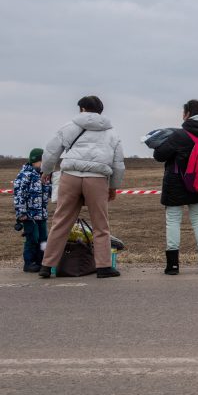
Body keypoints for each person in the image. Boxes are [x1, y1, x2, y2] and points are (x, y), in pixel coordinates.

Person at [38, 95, 125, 279]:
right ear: (101, 110)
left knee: (61, 221)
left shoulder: (70, 126)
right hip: (98, 178)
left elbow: (52, 150)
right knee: (101, 224)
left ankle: (47, 265)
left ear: (82, 109)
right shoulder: (111, 132)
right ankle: (103, 267)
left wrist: (46, 171)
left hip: (70, 175)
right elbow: (118, 163)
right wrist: (114, 186)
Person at [153, 100, 198, 275]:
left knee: (173, 221)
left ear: (187, 114)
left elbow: (159, 156)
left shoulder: (180, 134)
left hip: (177, 183)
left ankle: (173, 265)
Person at [13, 148, 52, 272]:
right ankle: (29, 263)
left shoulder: (44, 175)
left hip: (42, 214)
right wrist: (21, 213)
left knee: (43, 239)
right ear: (35, 161)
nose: (44, 164)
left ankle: (42, 261)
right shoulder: (25, 175)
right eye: (42, 161)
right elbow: (19, 195)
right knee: (32, 238)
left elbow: (49, 193)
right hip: (29, 215)